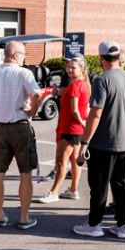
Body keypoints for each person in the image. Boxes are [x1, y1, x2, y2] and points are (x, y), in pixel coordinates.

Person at [72, 42, 125, 239]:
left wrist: (84, 142)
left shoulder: (101, 80)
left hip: (103, 143)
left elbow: (95, 113)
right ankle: (122, 226)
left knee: (99, 185)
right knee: (121, 183)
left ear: (100, 58)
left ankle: (94, 224)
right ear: (118, 56)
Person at [0, 41, 41, 230]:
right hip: (21, 126)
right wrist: (31, 111)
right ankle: (23, 217)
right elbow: (37, 95)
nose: (24, 57)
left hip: (0, 128)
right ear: (15, 55)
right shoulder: (24, 73)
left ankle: (0, 214)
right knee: (25, 174)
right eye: (23, 54)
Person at [38, 56, 90, 203]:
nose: (69, 69)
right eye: (68, 67)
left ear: (82, 69)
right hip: (76, 130)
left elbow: (75, 110)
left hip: (70, 129)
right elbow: (79, 105)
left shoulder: (75, 85)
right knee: (74, 162)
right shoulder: (83, 84)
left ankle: (54, 192)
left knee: (61, 162)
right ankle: (73, 190)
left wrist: (82, 123)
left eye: (73, 67)